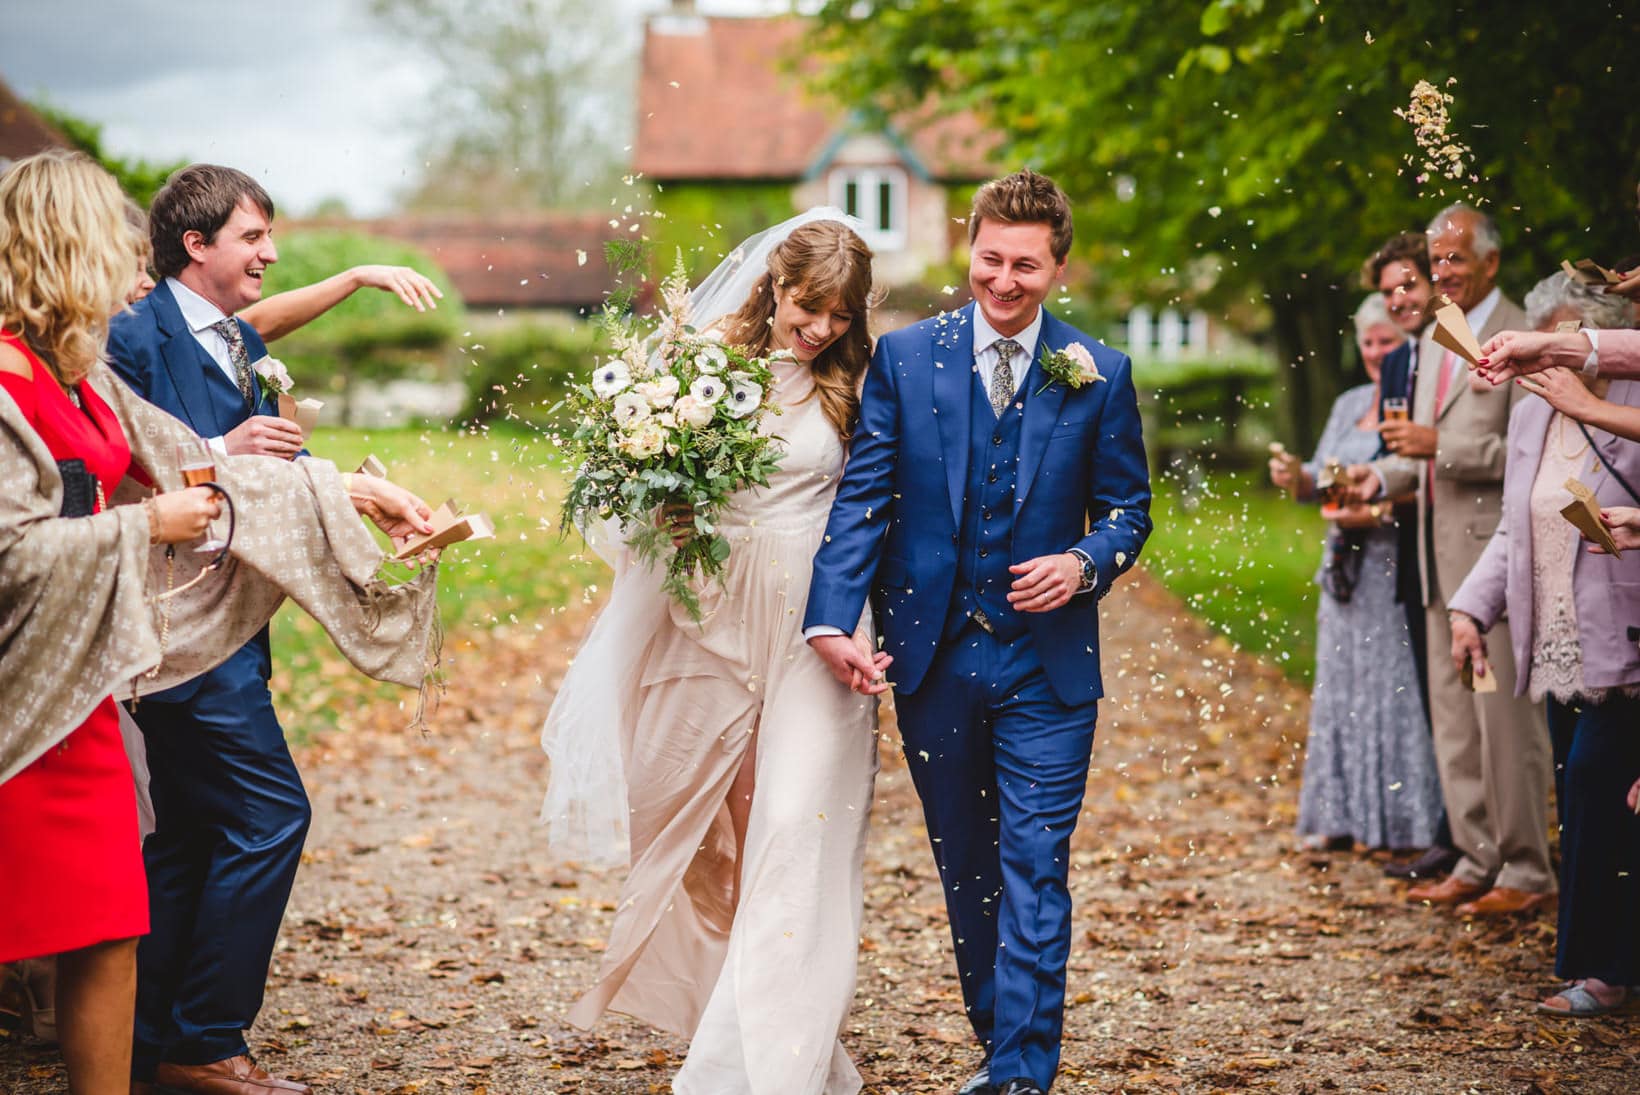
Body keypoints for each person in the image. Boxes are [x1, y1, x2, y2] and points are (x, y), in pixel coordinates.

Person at [0, 151, 440, 1095]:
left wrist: (356, 489)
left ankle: (151, 1045)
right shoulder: (60, 364)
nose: (134, 274)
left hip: (141, 654)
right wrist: (143, 521)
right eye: (116, 252)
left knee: (135, 885)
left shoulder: (85, 371)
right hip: (84, 665)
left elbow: (195, 456)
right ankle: (193, 1037)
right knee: (230, 830)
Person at [804, 170, 1152, 1095]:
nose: (1004, 281)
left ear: (1058, 267)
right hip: (935, 658)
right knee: (969, 865)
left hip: (1048, 667)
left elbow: (1129, 509)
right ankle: (1004, 1038)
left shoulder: (1100, 371)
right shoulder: (908, 358)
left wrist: (1084, 563)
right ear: (972, 251)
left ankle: (1020, 1075)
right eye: (991, 259)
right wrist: (831, 616)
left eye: (1026, 266)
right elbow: (864, 499)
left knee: (1037, 861)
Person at [541, 210, 887, 1095]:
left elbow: (878, 504)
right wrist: (671, 511)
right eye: (811, 308)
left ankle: (763, 1061)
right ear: (776, 284)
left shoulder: (857, 384)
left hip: (818, 622)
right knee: (702, 829)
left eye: (840, 317)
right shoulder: (693, 369)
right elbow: (629, 499)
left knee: (794, 827)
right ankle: (750, 1016)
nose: (821, 330)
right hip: (709, 616)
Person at [1445, 269, 1640, 1016]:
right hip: (1557, 633)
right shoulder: (1530, 413)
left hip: (1622, 632)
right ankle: (1609, 959)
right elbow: (1512, 524)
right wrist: (1472, 607)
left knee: (1598, 782)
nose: (1545, 363)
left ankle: (1600, 970)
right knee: (1585, 795)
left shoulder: (1625, 398)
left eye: (1560, 344)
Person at [1353, 203, 1556, 918]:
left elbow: (1535, 456)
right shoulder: (1441, 334)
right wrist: (1377, 477)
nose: (1442, 273)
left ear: (1491, 262)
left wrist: (1444, 446)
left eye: (1455, 260)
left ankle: (1528, 868)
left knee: (1504, 720)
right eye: (1436, 261)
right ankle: (1476, 857)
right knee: (1456, 720)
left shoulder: (1526, 333)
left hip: (1495, 566)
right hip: (1436, 559)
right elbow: (1418, 448)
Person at [1271, 295, 1443, 853]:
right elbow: (1324, 479)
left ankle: (1402, 821)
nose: (1374, 353)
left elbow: (1418, 482)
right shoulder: (1348, 405)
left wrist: (1373, 510)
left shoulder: (1412, 405)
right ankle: (1341, 814)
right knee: (1341, 688)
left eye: (1386, 342)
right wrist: (1296, 477)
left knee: (1393, 690)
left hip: (1391, 563)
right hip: (1344, 565)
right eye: (1367, 342)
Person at [1360, 232, 1460, 878]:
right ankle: (1453, 832)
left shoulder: (1459, 347)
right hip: (1413, 543)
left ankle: (1485, 838)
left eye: (1408, 284)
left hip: (1464, 537)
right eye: (1389, 290)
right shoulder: (1398, 363)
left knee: (1475, 701)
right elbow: (1390, 456)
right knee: (1436, 697)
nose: (1400, 299)